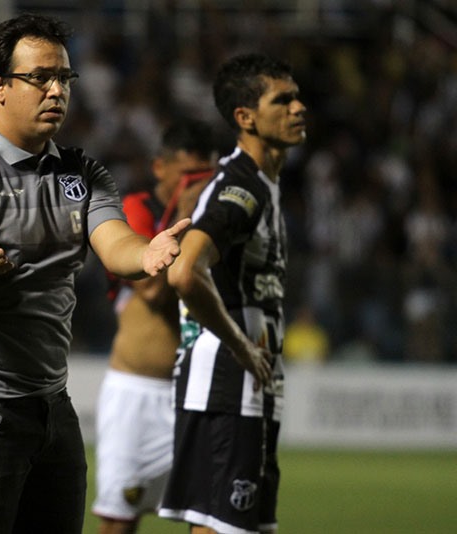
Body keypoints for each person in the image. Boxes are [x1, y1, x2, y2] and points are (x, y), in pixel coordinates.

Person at [0, 13, 190, 534]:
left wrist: (147, 254)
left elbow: (114, 243)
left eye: (64, 78)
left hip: (48, 403)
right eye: (41, 78)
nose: (57, 90)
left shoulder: (81, 173)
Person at [158, 53, 307, 534]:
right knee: (222, 526)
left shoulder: (264, 183)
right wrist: (242, 346)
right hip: (227, 383)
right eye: (281, 100)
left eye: (296, 96)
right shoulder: (238, 187)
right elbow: (184, 272)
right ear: (245, 118)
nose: (298, 107)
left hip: (249, 386)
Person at [92, 117, 216, 534]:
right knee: (118, 521)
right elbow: (153, 293)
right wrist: (184, 215)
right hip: (139, 395)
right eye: (190, 175)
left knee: (212, 519)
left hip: (201, 393)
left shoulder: (220, 219)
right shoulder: (133, 213)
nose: (198, 186)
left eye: (207, 175)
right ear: (161, 168)